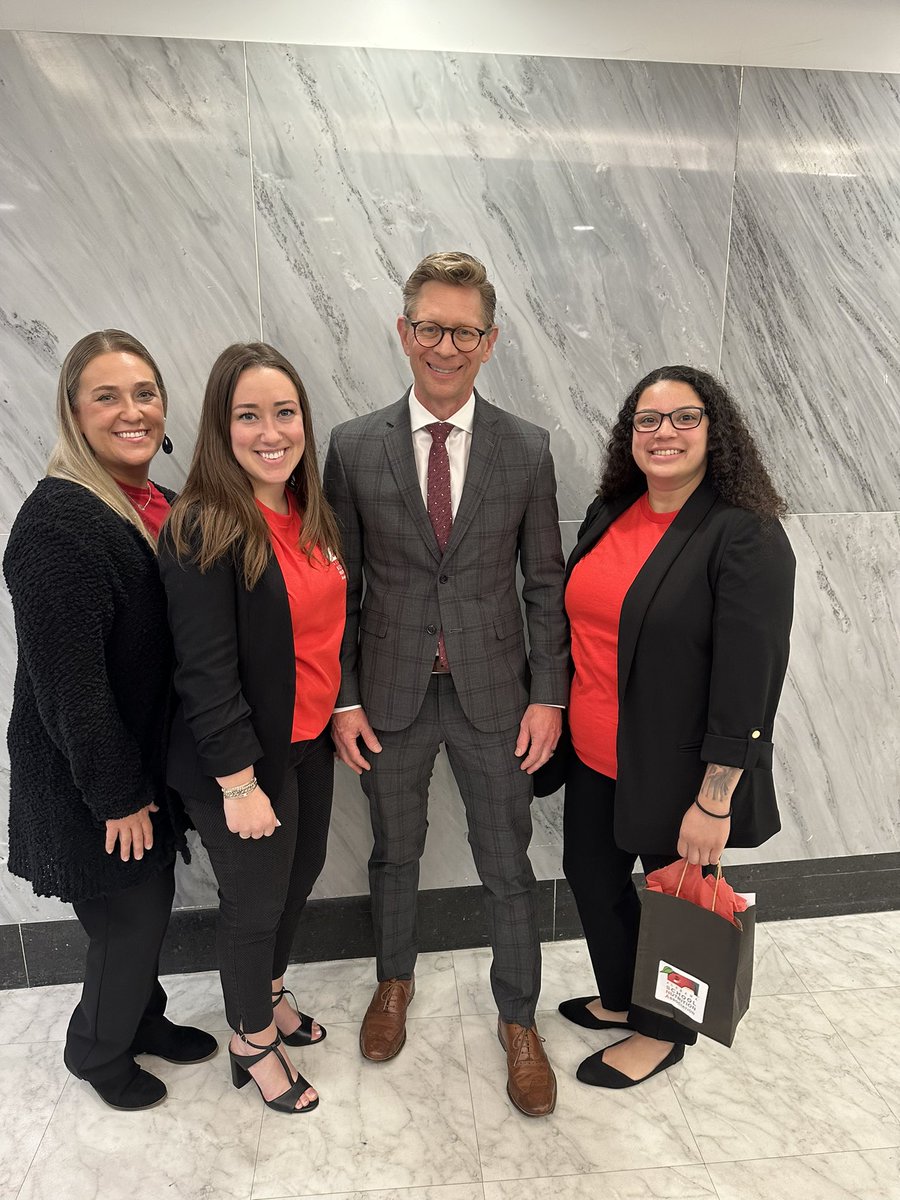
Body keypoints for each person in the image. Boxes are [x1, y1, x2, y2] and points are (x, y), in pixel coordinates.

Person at [323, 251, 568, 1118]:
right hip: (387, 694)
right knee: (394, 851)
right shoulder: (353, 448)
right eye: (430, 326)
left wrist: (550, 697)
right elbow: (337, 584)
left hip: (497, 695)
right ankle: (394, 984)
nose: (446, 345)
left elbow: (545, 584)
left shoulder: (528, 450)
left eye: (465, 330)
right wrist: (343, 696)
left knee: (507, 863)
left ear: (490, 340)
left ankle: (520, 1021)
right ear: (404, 331)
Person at [559, 364, 795, 1088]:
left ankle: (663, 1030)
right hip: (595, 754)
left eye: (683, 417)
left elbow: (750, 680)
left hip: (682, 771)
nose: (664, 433)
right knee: (592, 877)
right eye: (647, 420)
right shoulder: (612, 510)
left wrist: (714, 800)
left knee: (674, 901)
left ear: (713, 429)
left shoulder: (743, 536)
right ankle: (629, 997)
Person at [3, 330, 217, 1111]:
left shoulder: (148, 501)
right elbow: (71, 689)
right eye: (107, 396)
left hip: (133, 763)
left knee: (143, 905)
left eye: (145, 393)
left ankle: (142, 1019)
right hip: (87, 776)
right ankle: (96, 1049)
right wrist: (119, 797)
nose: (132, 412)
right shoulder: (59, 524)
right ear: (73, 411)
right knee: (129, 919)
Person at [159, 342, 345, 1115]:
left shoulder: (307, 512)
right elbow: (204, 671)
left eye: (285, 412)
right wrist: (239, 782)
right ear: (219, 426)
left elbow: (322, 632)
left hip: (303, 743)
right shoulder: (201, 526)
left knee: (297, 881)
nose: (271, 431)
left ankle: (268, 994)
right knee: (254, 904)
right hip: (238, 762)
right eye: (248, 415)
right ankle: (250, 1043)